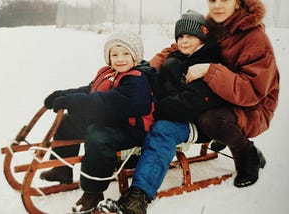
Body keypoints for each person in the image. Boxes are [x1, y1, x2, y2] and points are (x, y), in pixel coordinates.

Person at [99, 0, 280, 212]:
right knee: (150, 113)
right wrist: (141, 73)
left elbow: (252, 90)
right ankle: (131, 157)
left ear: (239, 3)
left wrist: (210, 71)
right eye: (213, 0)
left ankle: (246, 154)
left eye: (224, 0)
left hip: (250, 104)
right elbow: (176, 48)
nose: (217, 5)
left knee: (206, 121)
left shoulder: (255, 39)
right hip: (211, 98)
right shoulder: (209, 28)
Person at [40, 32, 156, 213]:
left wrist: (74, 102)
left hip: (133, 129)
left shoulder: (137, 79)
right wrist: (64, 95)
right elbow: (90, 91)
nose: (120, 59)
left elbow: (108, 102)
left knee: (98, 136)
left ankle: (93, 192)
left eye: (126, 54)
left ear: (136, 55)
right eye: (114, 54)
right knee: (67, 122)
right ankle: (61, 169)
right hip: (110, 120)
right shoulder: (107, 72)